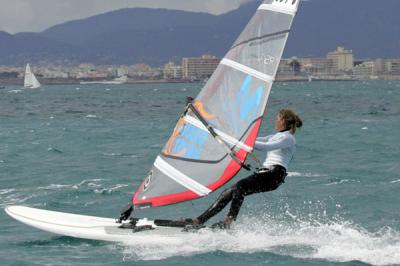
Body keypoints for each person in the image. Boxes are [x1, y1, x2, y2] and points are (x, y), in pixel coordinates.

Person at [186, 109, 303, 229]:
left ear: (283, 121)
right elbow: (254, 140)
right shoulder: (275, 136)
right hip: (268, 174)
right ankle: (199, 220)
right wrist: (228, 136)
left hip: (274, 175)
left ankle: (229, 221)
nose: (276, 122)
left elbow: (265, 147)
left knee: (240, 186)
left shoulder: (288, 138)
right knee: (230, 191)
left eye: (277, 119)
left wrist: (244, 143)